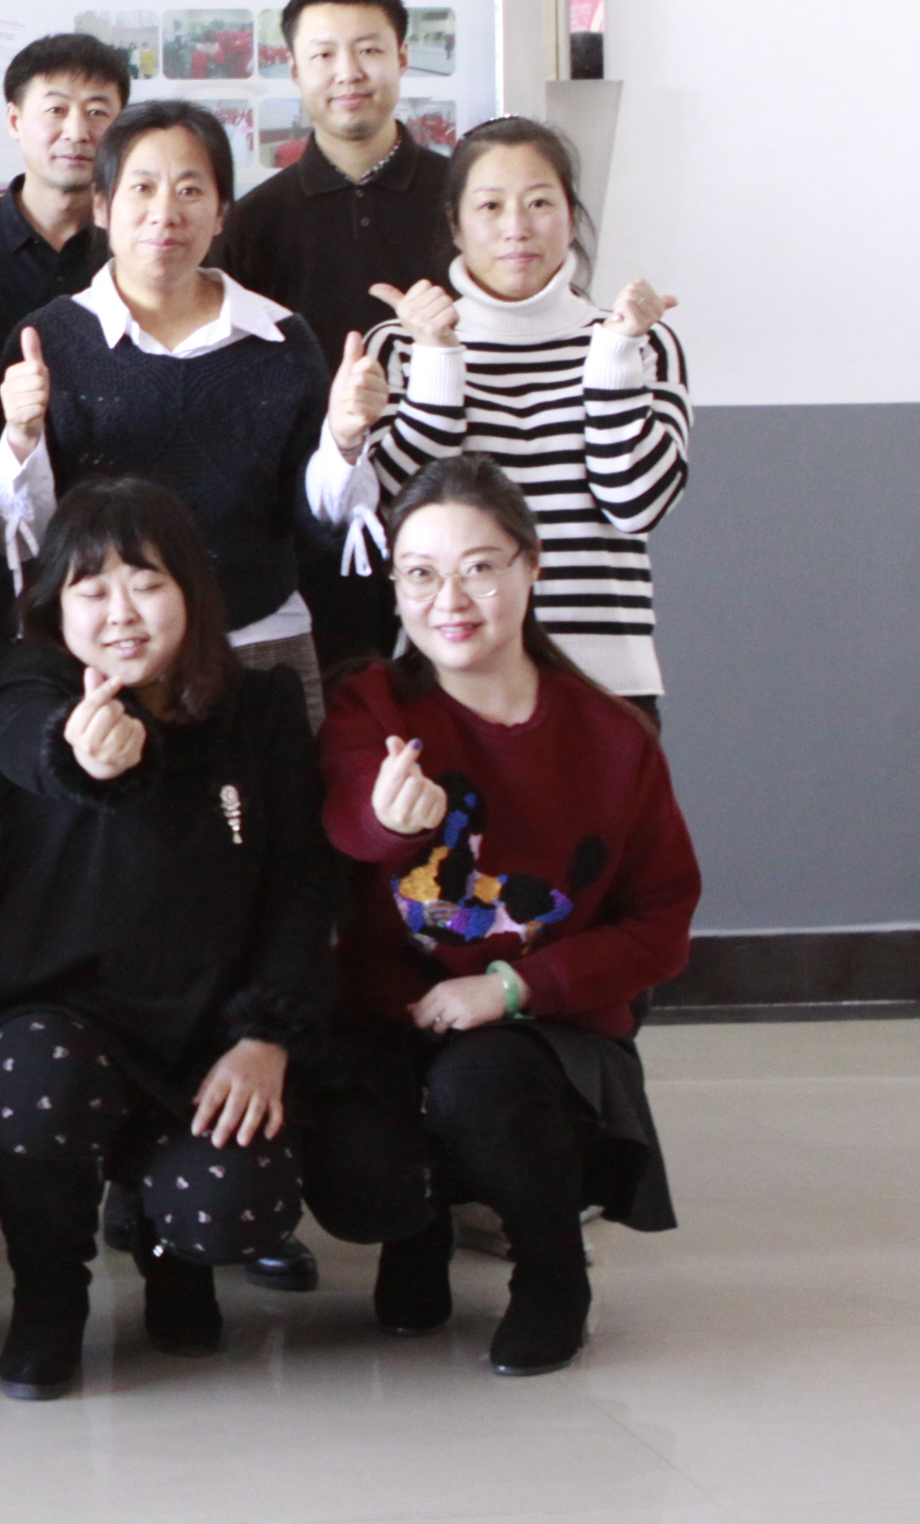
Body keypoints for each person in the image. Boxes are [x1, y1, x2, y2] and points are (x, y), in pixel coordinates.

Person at [0, 478, 332, 1400]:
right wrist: (85, 755)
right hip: (62, 1019)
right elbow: (38, 746)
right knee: (35, 1080)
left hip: (209, 1028)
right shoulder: (28, 688)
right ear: (55, 606)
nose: (121, 613)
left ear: (192, 589)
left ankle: (169, 1258)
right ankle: (49, 1299)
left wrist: (266, 1035)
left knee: (238, 1205)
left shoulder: (261, 708)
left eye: (146, 584)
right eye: (92, 589)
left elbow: (304, 887)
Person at [304, 456, 699, 1376]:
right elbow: (347, 822)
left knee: (482, 1083)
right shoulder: (372, 705)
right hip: (386, 1021)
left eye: (480, 568)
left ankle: (553, 1271)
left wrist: (515, 987)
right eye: (420, 574)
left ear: (532, 566)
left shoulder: (613, 738)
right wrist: (386, 819)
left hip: (538, 1034)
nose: (449, 600)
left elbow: (661, 923)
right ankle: (416, 1231)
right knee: (360, 1171)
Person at [0, 99, 376, 721]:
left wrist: (346, 440)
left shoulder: (281, 340)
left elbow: (318, 524)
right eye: (141, 188)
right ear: (102, 207)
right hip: (105, 655)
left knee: (280, 787)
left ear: (222, 212)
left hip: (257, 642)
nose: (165, 213)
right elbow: (24, 535)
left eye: (191, 190)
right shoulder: (48, 341)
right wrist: (20, 437)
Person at [358, 117, 692, 711]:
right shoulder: (402, 342)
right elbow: (395, 511)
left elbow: (636, 505)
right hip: (449, 670)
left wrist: (612, 357)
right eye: (490, 206)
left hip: (605, 678)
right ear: (456, 225)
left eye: (540, 203)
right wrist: (438, 358)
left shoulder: (641, 340)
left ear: (571, 217)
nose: (517, 228)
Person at [218, 0, 456, 690]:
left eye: (369, 50)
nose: (348, 72)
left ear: (403, 57)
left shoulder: (465, 199)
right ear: (294, 70)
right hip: (311, 528)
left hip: (455, 515)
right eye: (323, 54)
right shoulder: (255, 222)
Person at [0, 32, 131, 371]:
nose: (76, 132)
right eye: (56, 110)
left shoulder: (140, 242)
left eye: (97, 112)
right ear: (15, 121)